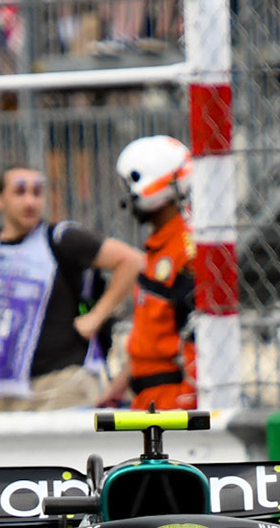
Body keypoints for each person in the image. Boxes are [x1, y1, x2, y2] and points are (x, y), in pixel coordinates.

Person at [0, 164, 143, 412]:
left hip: (63, 385)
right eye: (20, 192)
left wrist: (96, 317)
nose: (30, 201)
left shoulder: (62, 238)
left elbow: (133, 261)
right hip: (5, 391)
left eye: (37, 192)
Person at [98, 135, 196, 411]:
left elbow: (196, 337)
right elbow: (152, 335)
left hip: (172, 400)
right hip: (148, 398)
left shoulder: (183, 252)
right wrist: (119, 385)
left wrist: (188, 403)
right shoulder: (160, 248)